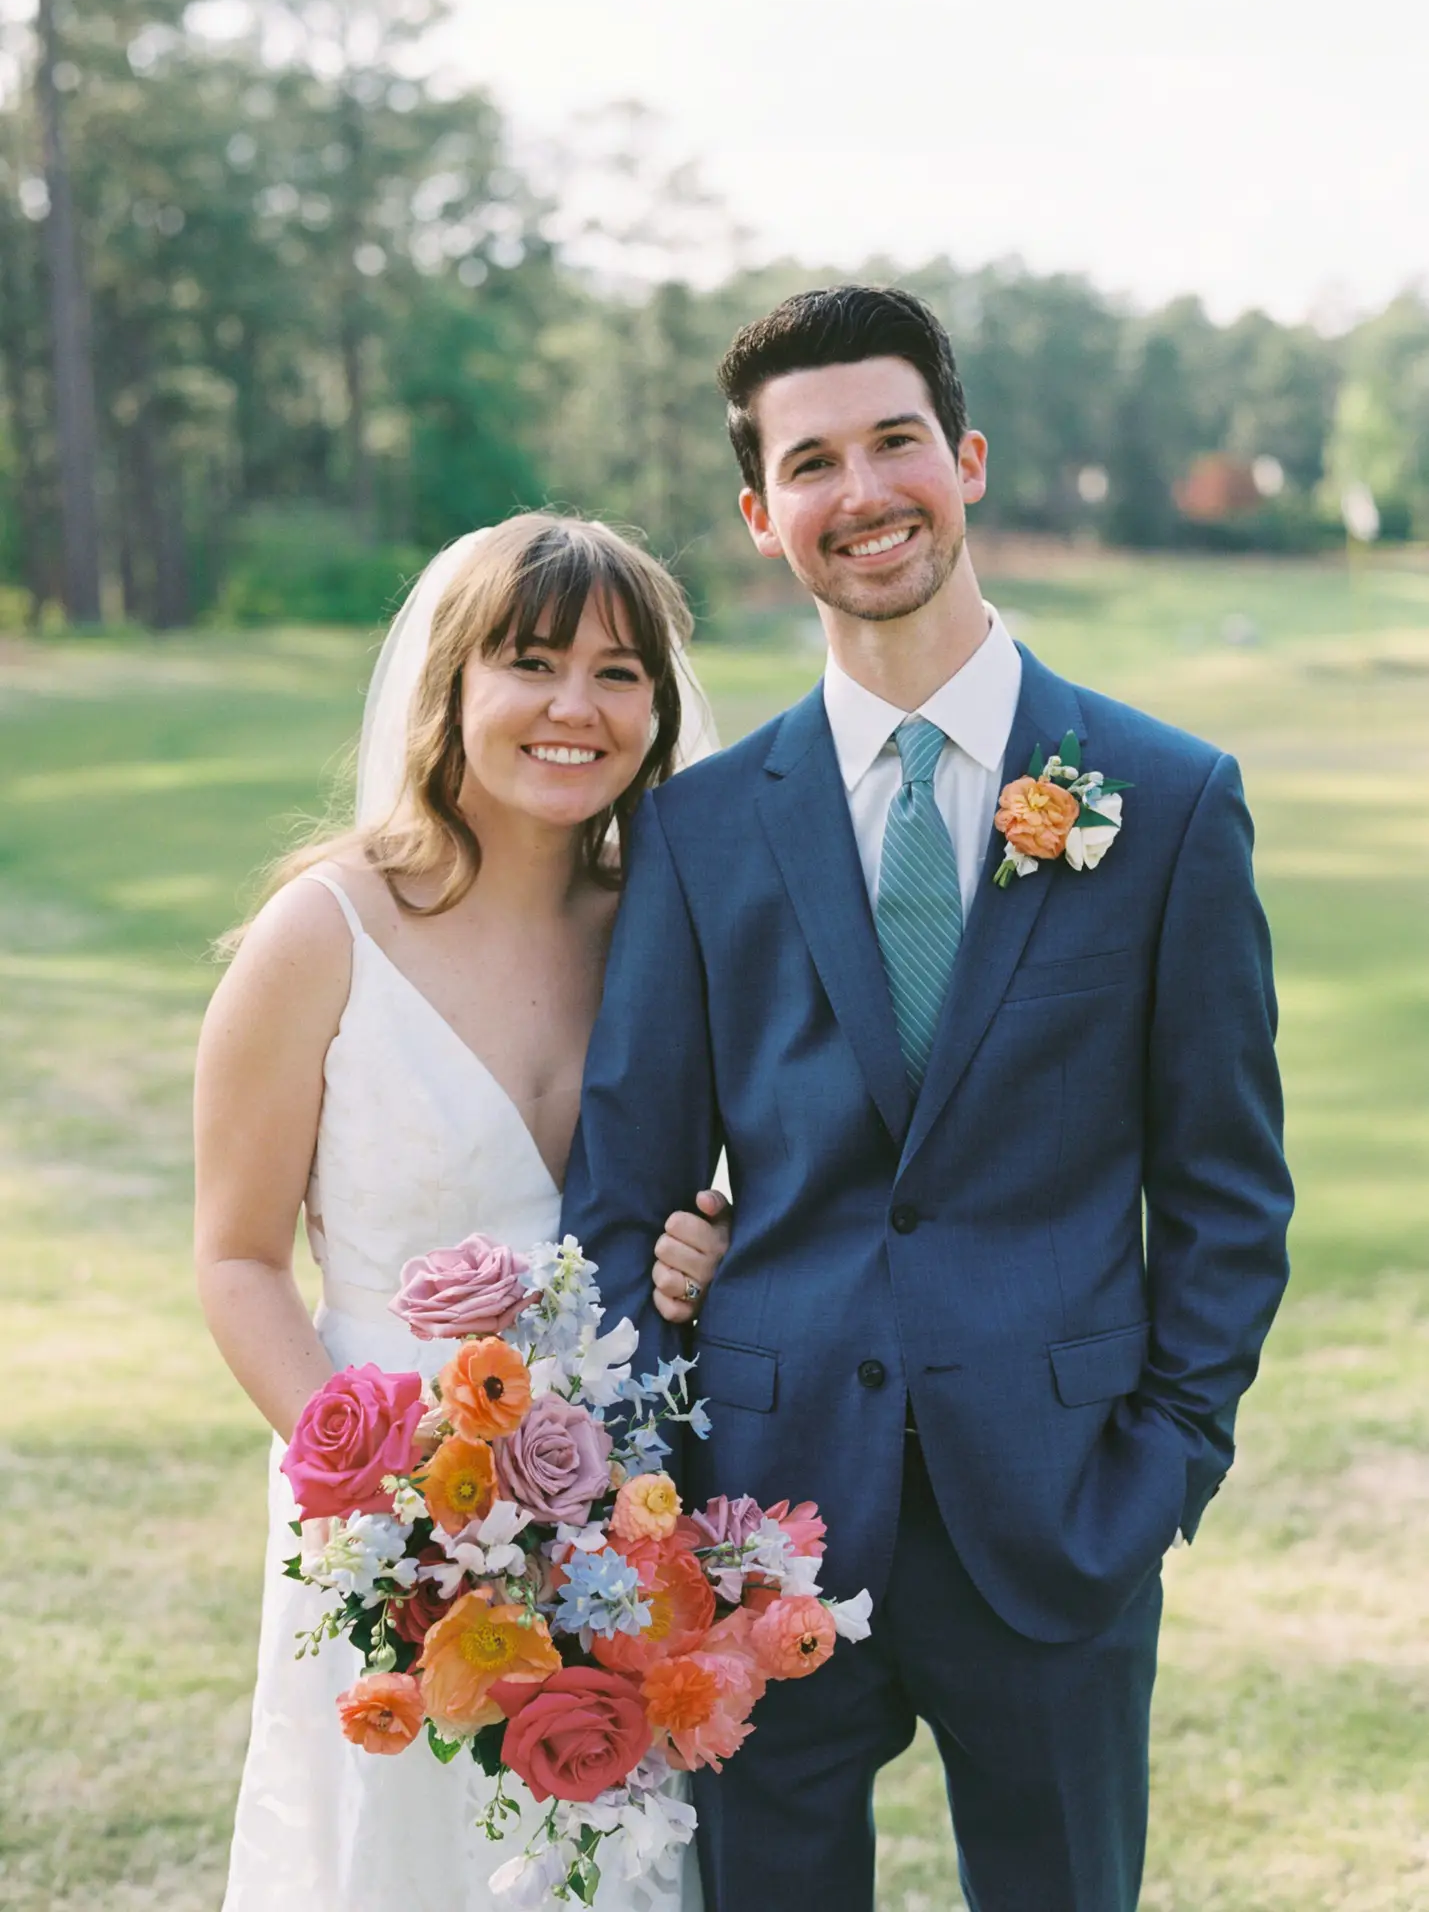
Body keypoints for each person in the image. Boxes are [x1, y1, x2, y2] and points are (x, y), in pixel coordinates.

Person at [563, 287, 1294, 1912]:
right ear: (764, 518)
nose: (864, 489)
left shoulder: (1168, 803)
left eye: (896, 440)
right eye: (811, 462)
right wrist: (657, 1495)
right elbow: (622, 1193)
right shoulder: (697, 835)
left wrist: (1164, 1461)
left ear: (964, 459)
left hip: (1061, 1512)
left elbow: (1230, 1189)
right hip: (760, 1525)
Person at [194, 513, 724, 1912]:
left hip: (620, 1509)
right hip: (381, 1507)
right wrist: (393, 1506)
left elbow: (735, 1171)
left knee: (608, 1859)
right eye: (531, 662)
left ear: (659, 709)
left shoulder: (670, 933)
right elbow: (238, 1259)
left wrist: (716, 1234)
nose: (574, 706)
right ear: (451, 689)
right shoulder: (324, 932)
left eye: (620, 672)